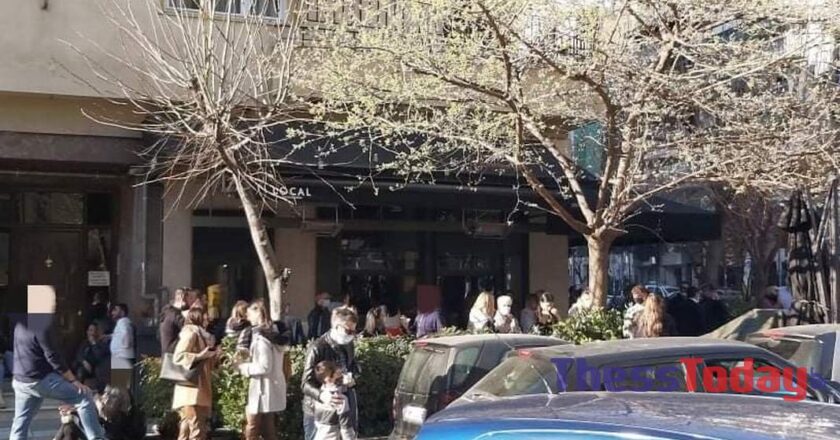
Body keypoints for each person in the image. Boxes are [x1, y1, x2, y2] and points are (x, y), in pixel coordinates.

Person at [10, 290, 106, 440]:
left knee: (20, 423)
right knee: (84, 396)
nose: (54, 305)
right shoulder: (42, 324)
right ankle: (96, 438)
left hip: (21, 380)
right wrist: (73, 380)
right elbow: (53, 357)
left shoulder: (22, 323)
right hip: (40, 379)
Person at [302, 308, 360, 440]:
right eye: (348, 331)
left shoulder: (348, 344)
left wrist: (352, 377)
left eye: (354, 331)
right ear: (336, 326)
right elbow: (305, 383)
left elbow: (353, 365)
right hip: (318, 409)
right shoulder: (317, 347)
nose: (351, 335)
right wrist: (321, 395)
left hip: (342, 403)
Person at [237, 300, 287, 440]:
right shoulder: (274, 334)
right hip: (270, 388)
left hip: (262, 389)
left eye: (249, 314)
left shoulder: (261, 339)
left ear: (257, 313)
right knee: (268, 428)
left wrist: (243, 367)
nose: (248, 318)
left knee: (253, 427)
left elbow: (264, 366)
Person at [172, 306, 220, 440]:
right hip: (191, 389)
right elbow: (178, 357)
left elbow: (208, 364)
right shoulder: (191, 333)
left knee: (187, 428)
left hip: (197, 388)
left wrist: (215, 356)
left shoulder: (203, 335)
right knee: (197, 429)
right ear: (198, 317)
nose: (208, 319)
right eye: (205, 316)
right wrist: (200, 356)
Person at [313, 360, 356, 440]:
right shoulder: (340, 400)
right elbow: (346, 428)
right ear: (329, 379)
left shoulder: (318, 396)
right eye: (337, 374)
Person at [73, 323, 110, 394]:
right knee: (80, 371)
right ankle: (78, 392)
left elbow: (99, 356)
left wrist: (93, 343)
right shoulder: (84, 343)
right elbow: (79, 355)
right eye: (90, 330)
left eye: (94, 331)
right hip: (86, 367)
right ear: (87, 332)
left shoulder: (101, 343)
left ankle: (100, 392)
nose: (92, 333)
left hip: (97, 368)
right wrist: (84, 362)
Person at [108, 303, 134, 395]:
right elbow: (120, 334)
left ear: (122, 312)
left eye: (116, 310)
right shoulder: (122, 322)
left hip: (122, 356)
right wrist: (108, 336)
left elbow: (126, 332)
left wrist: (125, 345)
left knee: (121, 386)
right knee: (121, 385)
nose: (113, 312)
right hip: (120, 356)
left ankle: (124, 403)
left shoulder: (122, 321)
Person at [160, 289, 187, 355]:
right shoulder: (175, 314)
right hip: (173, 353)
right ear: (182, 298)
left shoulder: (167, 312)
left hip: (167, 352)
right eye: (190, 298)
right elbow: (188, 328)